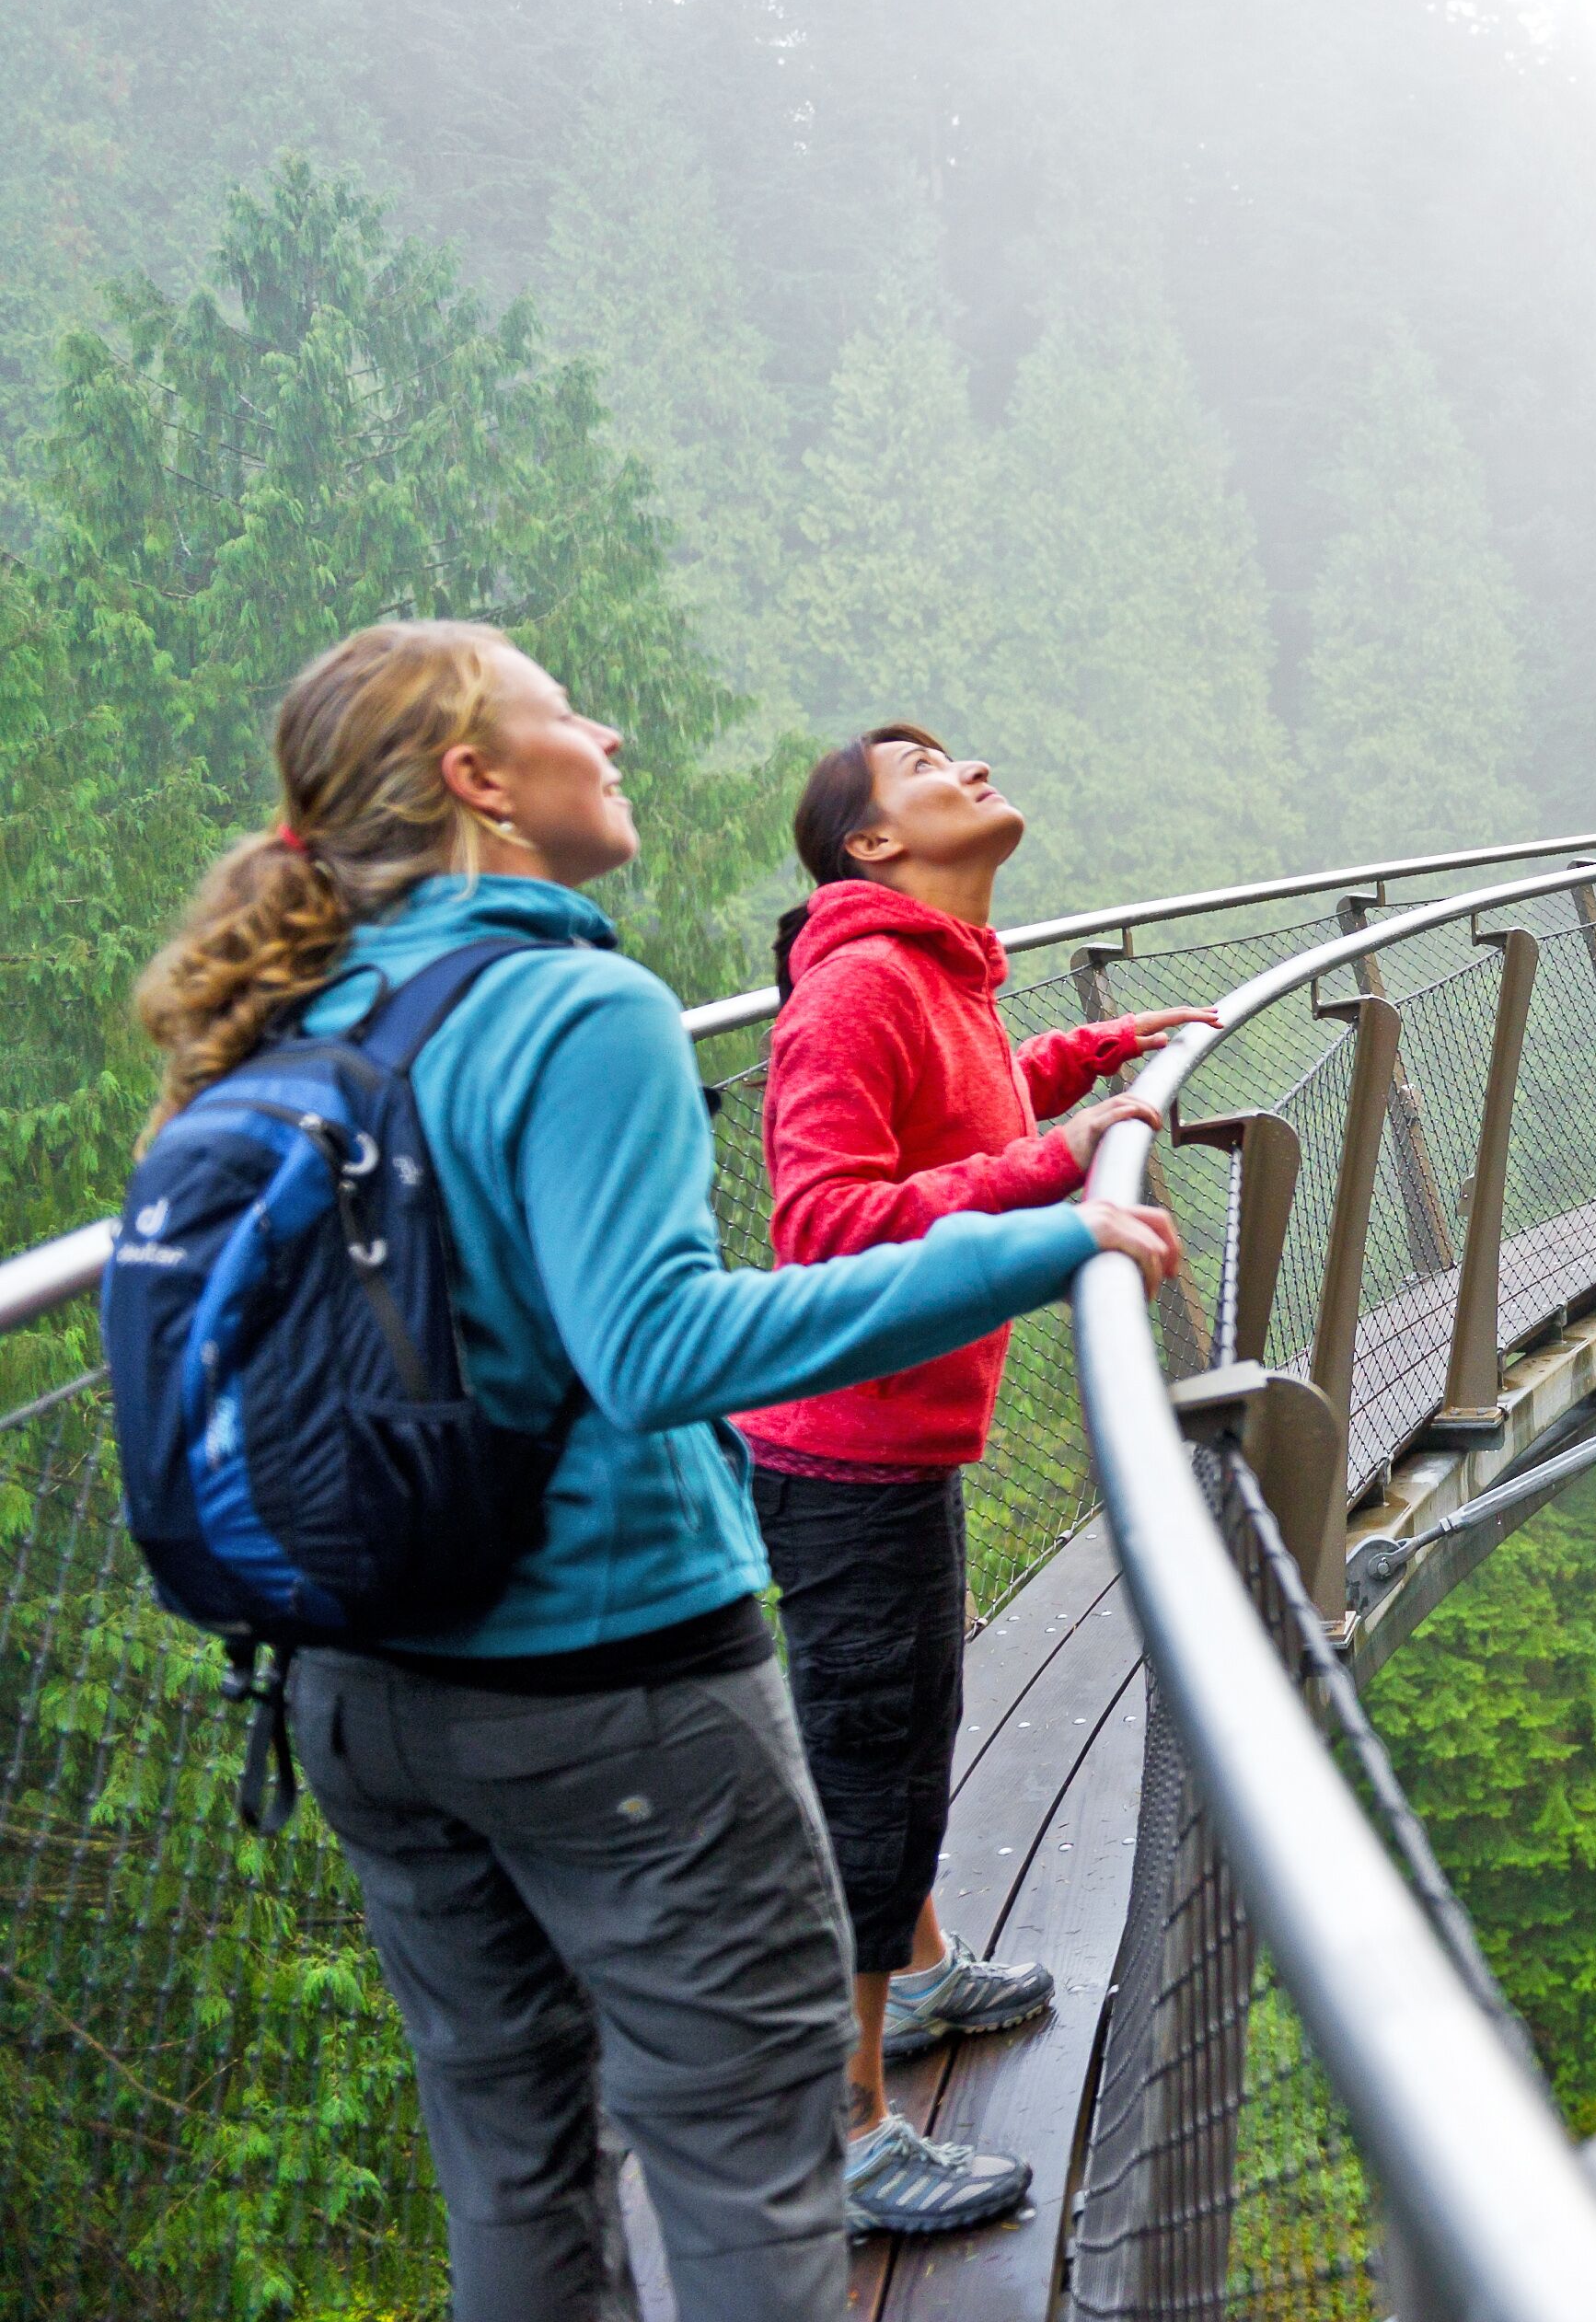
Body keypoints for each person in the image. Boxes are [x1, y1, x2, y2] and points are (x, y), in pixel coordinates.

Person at [130, 623, 1183, 2316]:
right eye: (562, 716)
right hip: (607, 1685)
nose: (605, 732)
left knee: (516, 2171)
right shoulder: (572, 1005)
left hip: (349, 1687)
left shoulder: (295, 1003)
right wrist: (1045, 1242)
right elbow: (663, 1351)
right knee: (757, 2170)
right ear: (482, 782)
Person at [734, 725, 1212, 2228]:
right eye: (926, 764)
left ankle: (924, 1983)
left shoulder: (934, 969)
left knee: (902, 1733)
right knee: (871, 1770)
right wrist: (1056, 1162)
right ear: (870, 843)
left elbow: (966, 1103)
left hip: (895, 1436)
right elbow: (821, 1225)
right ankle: (851, 2132)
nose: (972, 767)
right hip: (845, 1447)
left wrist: (1084, 1065)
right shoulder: (861, 983)